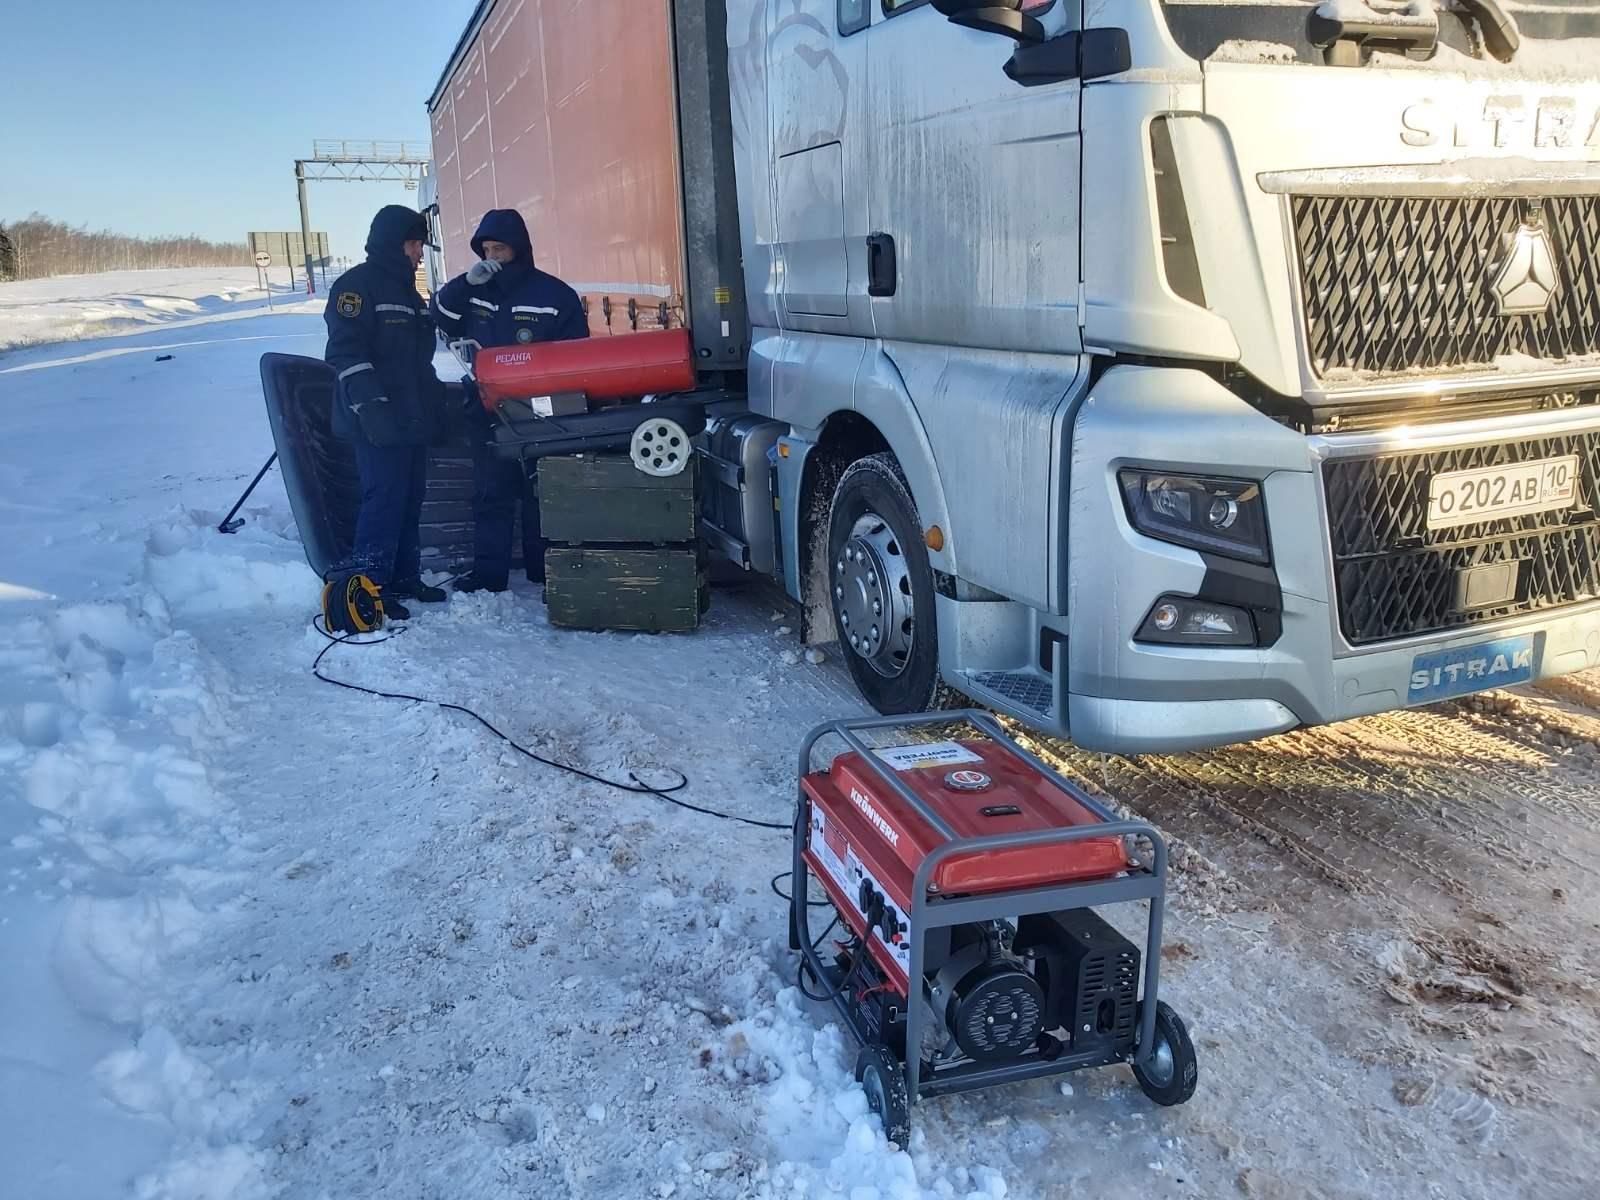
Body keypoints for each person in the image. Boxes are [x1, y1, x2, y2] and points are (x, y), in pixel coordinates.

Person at [431, 208, 588, 594]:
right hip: (486, 408)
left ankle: (543, 569)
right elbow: (440, 316)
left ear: (518, 249)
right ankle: (489, 578)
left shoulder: (553, 295)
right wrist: (466, 284)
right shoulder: (473, 290)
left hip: (542, 413)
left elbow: (577, 354)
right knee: (490, 493)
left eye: (499, 248)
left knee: (542, 491)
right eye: (486, 249)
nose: (492, 257)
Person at [323, 205, 450, 620]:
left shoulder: (411, 296)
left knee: (411, 498)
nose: (419, 253)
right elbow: (346, 354)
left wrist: (441, 402)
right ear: (395, 244)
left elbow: (416, 363)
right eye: (415, 244)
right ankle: (371, 587)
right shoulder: (355, 288)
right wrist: (372, 408)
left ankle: (404, 577)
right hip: (374, 419)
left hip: (410, 417)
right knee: (384, 499)